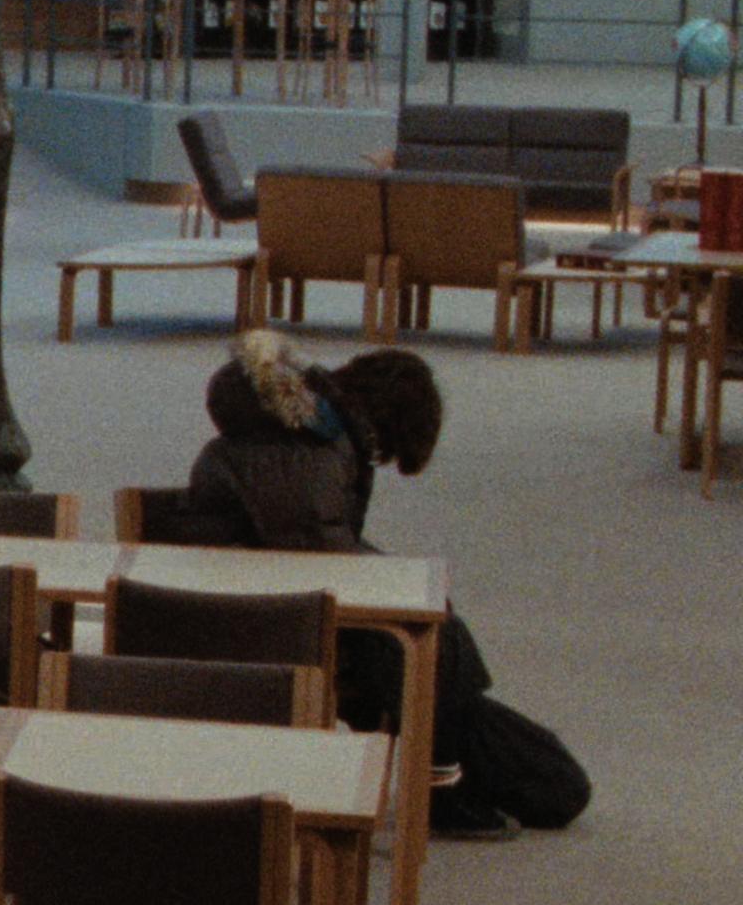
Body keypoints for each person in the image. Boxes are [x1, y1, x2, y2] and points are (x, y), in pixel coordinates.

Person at [187, 332, 588, 835]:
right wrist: (394, 584)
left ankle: (462, 776)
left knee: (436, 642)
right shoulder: (302, 447)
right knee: (427, 645)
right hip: (258, 619)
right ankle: (442, 787)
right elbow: (316, 553)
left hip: (267, 596)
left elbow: (321, 541)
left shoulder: (305, 431)